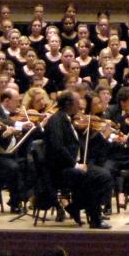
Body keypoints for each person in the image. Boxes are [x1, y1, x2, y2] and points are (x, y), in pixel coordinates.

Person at [43, 89, 113, 228]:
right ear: (68, 104)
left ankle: (76, 207)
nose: (81, 106)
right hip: (60, 169)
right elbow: (58, 148)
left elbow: (77, 144)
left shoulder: (67, 119)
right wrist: (75, 165)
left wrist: (99, 136)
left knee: (104, 175)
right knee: (96, 177)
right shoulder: (56, 120)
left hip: (72, 165)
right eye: (77, 103)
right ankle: (95, 218)